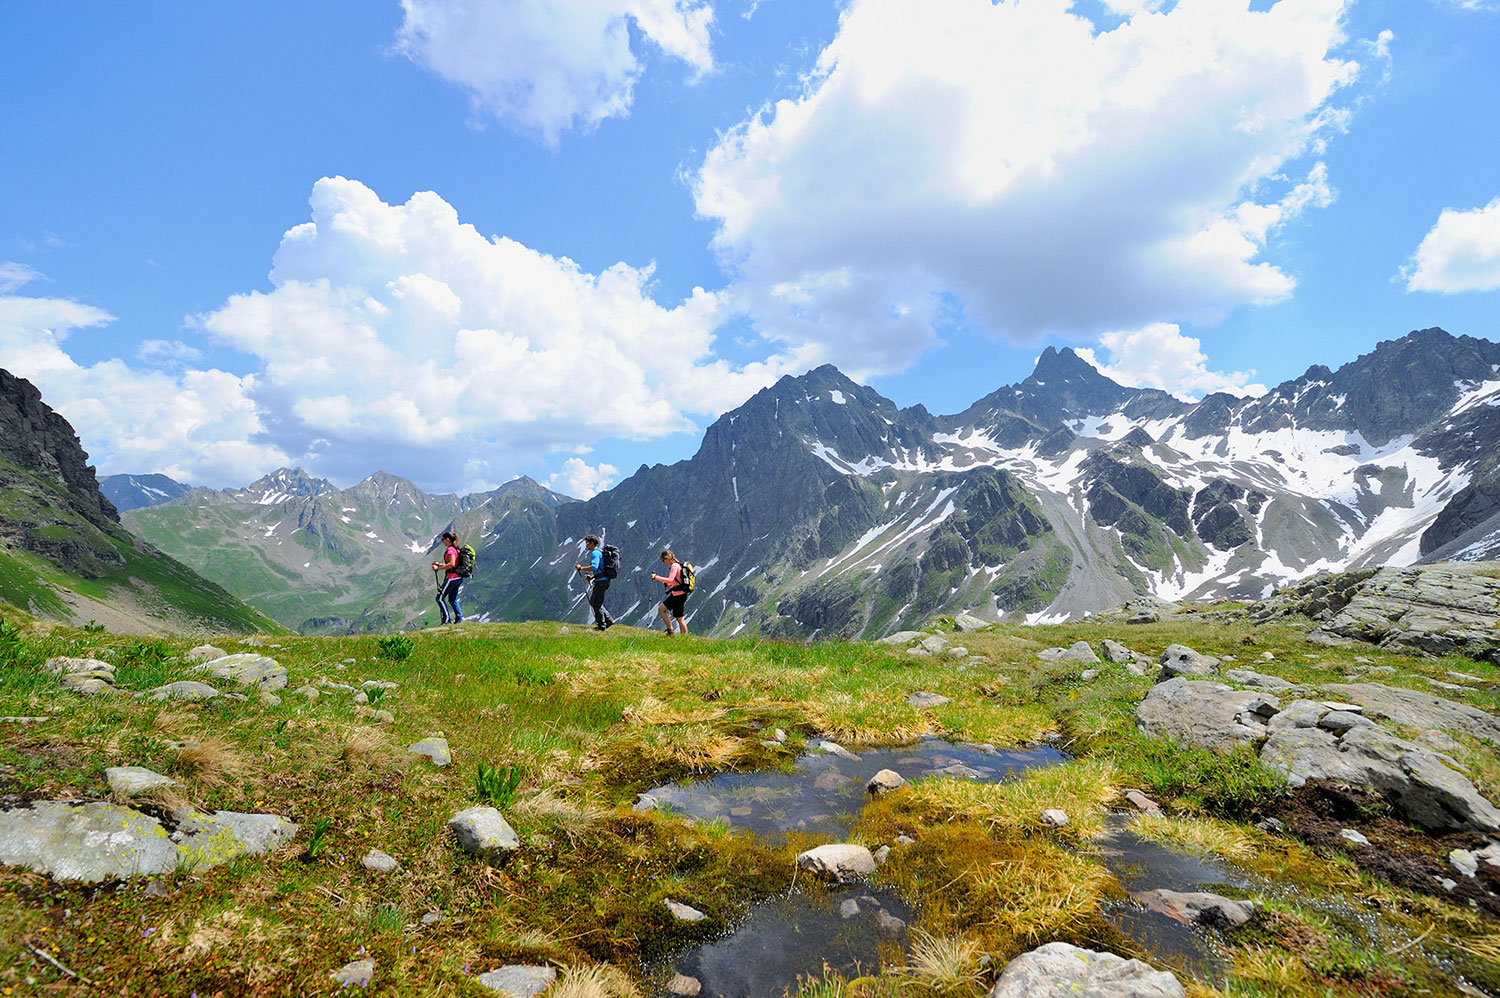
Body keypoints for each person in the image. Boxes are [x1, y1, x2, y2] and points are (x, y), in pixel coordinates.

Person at [574, 534, 614, 631]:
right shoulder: (600, 552)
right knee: (595, 602)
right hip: (603, 580)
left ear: (592, 543)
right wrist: (592, 577)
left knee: (596, 603)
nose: (586, 545)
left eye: (587, 543)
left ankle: (602, 626)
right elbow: (601, 569)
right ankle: (608, 620)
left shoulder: (595, 553)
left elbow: (594, 567)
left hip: (601, 582)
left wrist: (581, 568)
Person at [651, 549, 690, 636]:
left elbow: (670, 579)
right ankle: (670, 630)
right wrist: (668, 584)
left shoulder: (674, 566)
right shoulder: (678, 565)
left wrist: (656, 577)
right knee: (662, 609)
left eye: (663, 560)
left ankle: (684, 637)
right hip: (677, 594)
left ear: (667, 558)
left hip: (678, 596)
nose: (663, 562)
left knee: (679, 618)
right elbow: (675, 581)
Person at [431, 531, 463, 624]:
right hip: (458, 577)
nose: (442, 541)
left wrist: (438, 568)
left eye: (443, 539)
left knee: (439, 598)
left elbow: (452, 564)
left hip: (452, 578)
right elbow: (453, 563)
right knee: (452, 599)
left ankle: (446, 620)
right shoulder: (456, 549)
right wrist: (439, 565)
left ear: (448, 540)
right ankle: (459, 619)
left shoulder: (450, 550)